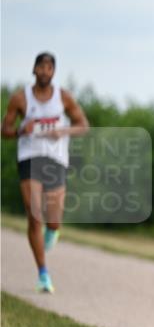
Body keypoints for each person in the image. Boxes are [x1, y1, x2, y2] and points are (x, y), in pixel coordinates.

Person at [1, 52, 89, 293]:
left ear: (54, 72)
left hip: (56, 159)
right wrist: (20, 131)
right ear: (34, 69)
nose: (44, 71)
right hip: (29, 157)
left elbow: (83, 125)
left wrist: (63, 132)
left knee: (53, 217)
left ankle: (53, 229)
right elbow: (4, 129)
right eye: (41, 67)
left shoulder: (63, 97)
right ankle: (43, 274)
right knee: (34, 214)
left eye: (49, 68)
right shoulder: (20, 98)